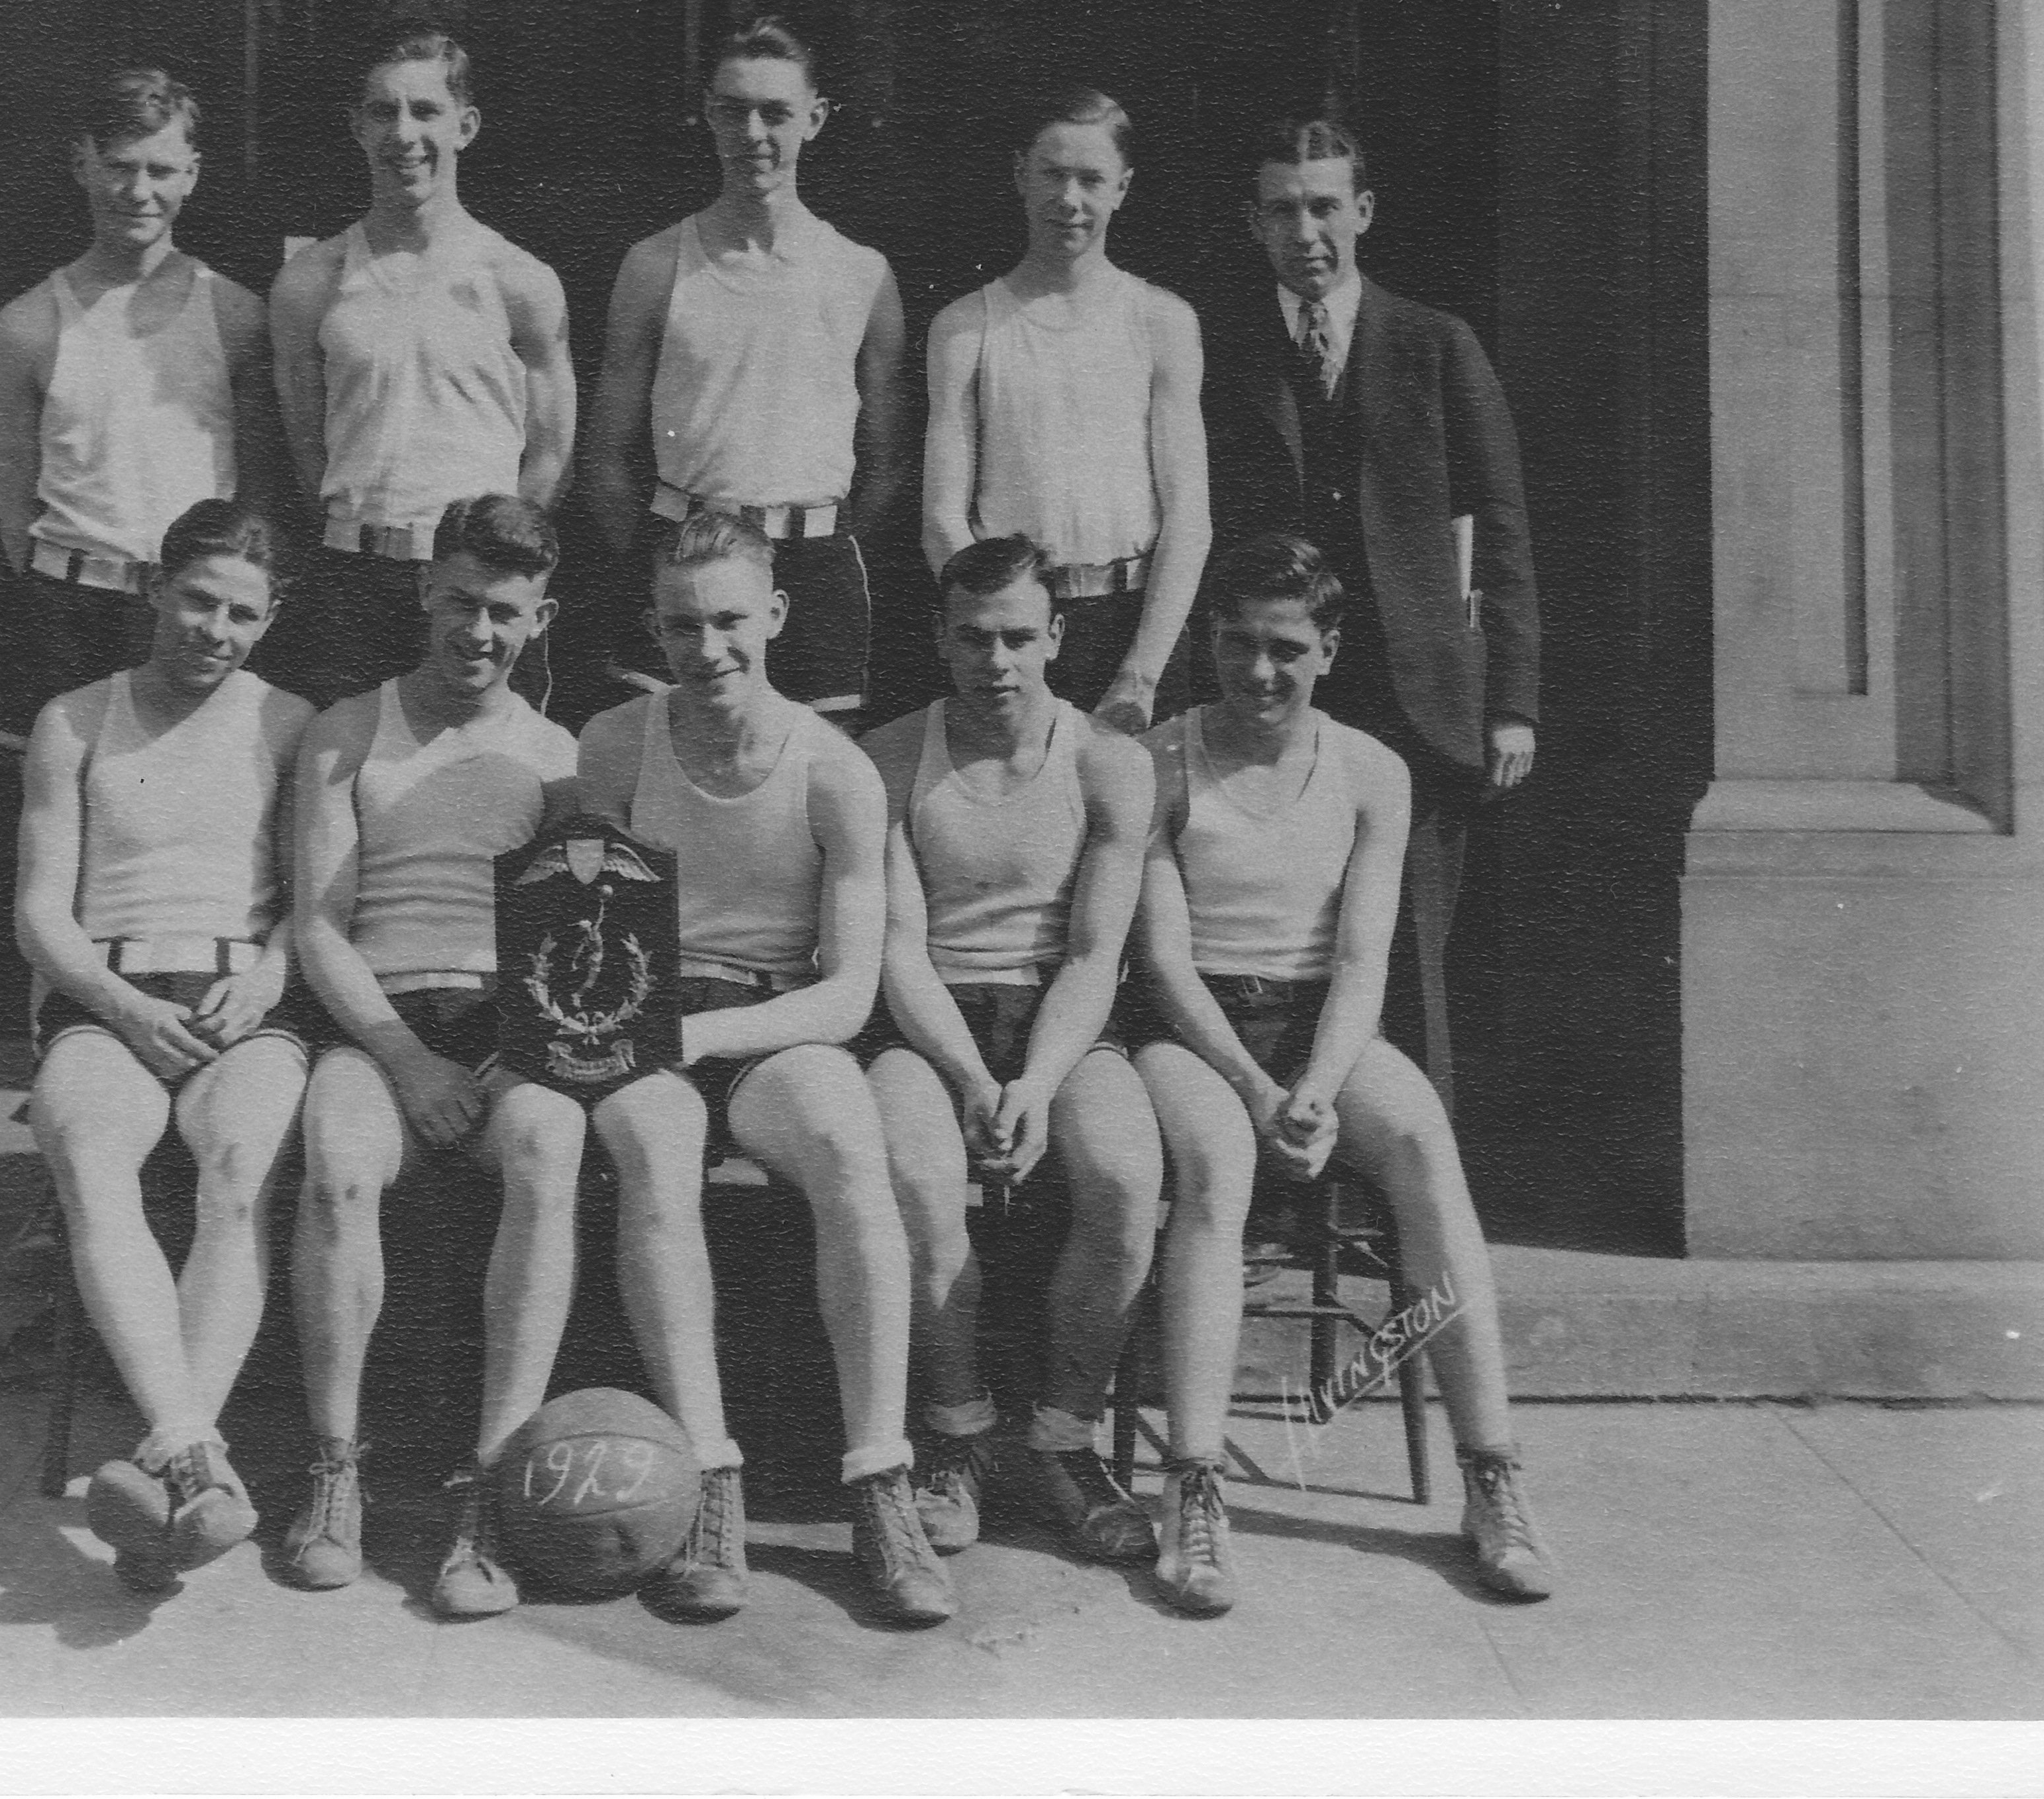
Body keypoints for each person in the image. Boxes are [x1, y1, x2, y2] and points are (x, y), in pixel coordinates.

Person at [1129, 533, 1557, 1616]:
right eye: (1234, 645)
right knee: (1219, 1166)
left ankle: (1492, 1473)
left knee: (1418, 1141)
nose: (1257, 673)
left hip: (1321, 1028)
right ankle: (1193, 1489)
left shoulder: (1371, 771)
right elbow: (1166, 963)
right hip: (1196, 1033)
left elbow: (1364, 958)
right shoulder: (1162, 763)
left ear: (1327, 648)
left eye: (1284, 648)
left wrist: (1314, 1088)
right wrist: (1261, 1093)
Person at [574, 511, 956, 1626]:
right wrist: (634, 1026)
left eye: (731, 619)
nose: (709, 648)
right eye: (684, 624)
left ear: (776, 617)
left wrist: (705, 1036)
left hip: (776, 1022)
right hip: (645, 1019)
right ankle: (707, 1475)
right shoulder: (613, 744)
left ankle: (878, 1476)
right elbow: (583, 924)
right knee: (652, 1141)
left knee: (847, 1137)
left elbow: (847, 991)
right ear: (655, 626)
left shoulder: (835, 770)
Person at [278, 495, 585, 1619]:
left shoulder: (557, 756)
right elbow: (318, 923)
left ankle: (490, 1486)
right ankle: (334, 1466)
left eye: (505, 612)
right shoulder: (347, 730)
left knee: (550, 1144)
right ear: (423, 591)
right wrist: (407, 1058)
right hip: (376, 1022)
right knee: (341, 1156)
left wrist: (512, 1056)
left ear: (539, 617)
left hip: (508, 1035)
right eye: (460, 601)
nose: (478, 632)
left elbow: (578, 937)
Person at [1200, 116, 1539, 1106]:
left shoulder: (1437, 346)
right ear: (1253, 224)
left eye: (1324, 207)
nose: (1306, 231)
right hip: (1267, 693)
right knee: (1273, 940)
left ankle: (1401, 1206)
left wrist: (1511, 699)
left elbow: (1504, 526)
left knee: (1407, 952)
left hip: (1414, 696)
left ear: (1365, 212)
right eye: (1282, 210)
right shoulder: (1221, 347)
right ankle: (1280, 1192)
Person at [13, 499, 315, 1594]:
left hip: (241, 995)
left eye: (242, 613)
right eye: (197, 599)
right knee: (90, 1146)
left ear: (268, 620)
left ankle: (169, 1476)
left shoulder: (289, 723)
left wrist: (272, 972)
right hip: (107, 990)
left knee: (241, 1165)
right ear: (154, 588)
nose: (215, 630)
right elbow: (40, 908)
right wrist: (116, 1001)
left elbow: (315, 900)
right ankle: (195, 1457)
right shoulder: (76, 720)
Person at [860, 537, 1165, 1564]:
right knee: (911, 1169)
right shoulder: (892, 757)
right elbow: (896, 949)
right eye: (976, 638)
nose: (998, 661)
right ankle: (957, 1432)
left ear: (1058, 638)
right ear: (942, 640)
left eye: (1020, 638)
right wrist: (973, 1079)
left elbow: (1093, 952)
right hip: (932, 1020)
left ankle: (1064, 1442)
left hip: (1060, 1024)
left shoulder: (1109, 764)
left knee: (1125, 1172)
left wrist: (1030, 1082)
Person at [588, 17, 904, 719]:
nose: (753, 133)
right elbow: (605, 460)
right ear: (708, 113)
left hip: (814, 564)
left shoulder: (862, 275)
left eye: (776, 112)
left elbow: (888, 466)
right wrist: (661, 559)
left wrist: (820, 546)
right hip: (687, 550)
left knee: (816, 787)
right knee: (664, 780)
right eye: (733, 111)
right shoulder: (654, 264)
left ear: (815, 119)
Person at [264, 25, 575, 711]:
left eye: (425, 111)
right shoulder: (310, 284)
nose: (403, 133)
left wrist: (490, 568)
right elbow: (308, 451)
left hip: (480, 587)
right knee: (344, 777)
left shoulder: (519, 281)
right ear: (357, 126)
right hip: (355, 581)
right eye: (383, 111)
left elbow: (550, 459)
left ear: (465, 126)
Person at [0, 68, 283, 748]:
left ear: (193, 174)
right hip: (67, 611)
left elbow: (259, 495)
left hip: (190, 609)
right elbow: (15, 507)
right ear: (81, 164)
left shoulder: (236, 314)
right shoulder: (29, 323)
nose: (139, 192)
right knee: (52, 812)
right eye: (119, 167)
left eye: (161, 170)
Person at [921, 88, 1212, 733]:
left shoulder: (1162, 321)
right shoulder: (966, 327)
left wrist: (1141, 673)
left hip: (1135, 625)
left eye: (1091, 179)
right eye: (1052, 174)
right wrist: (1006, 643)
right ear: (1019, 174)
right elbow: (942, 517)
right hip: (1014, 632)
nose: (1069, 199)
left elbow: (1189, 514)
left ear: (1123, 188)